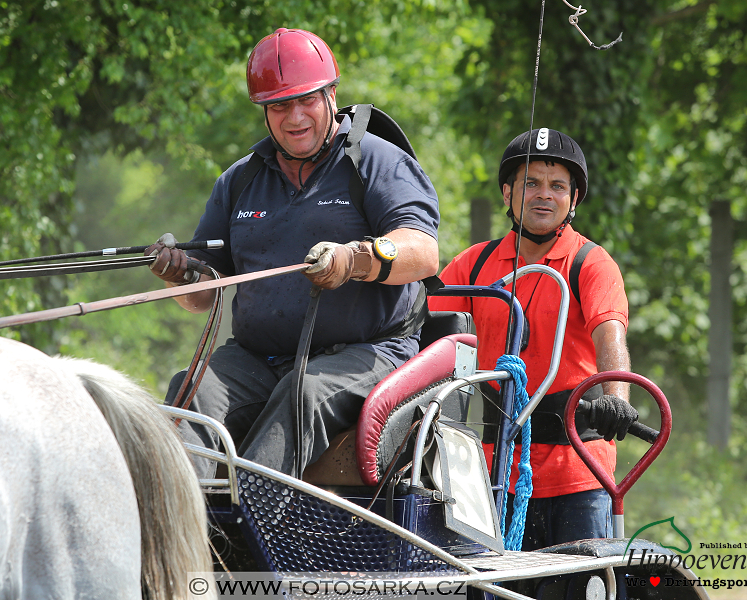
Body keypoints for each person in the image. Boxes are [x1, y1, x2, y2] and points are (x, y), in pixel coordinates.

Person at [145, 28, 440, 478]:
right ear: (265, 112)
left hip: (369, 353)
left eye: (307, 100)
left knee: (303, 394)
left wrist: (354, 259)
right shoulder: (239, 181)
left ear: (332, 95)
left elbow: (423, 252)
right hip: (255, 358)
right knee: (190, 391)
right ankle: (183, 529)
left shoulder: (378, 162)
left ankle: (250, 526)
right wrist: (179, 276)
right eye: (280, 105)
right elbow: (201, 298)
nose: (295, 116)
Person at [428, 128, 637, 550]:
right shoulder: (476, 263)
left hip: (577, 470)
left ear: (573, 200)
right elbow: (421, 329)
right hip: (488, 471)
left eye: (558, 186)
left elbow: (610, 336)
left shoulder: (590, 264)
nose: (545, 195)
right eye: (531, 183)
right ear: (507, 193)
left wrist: (617, 397)